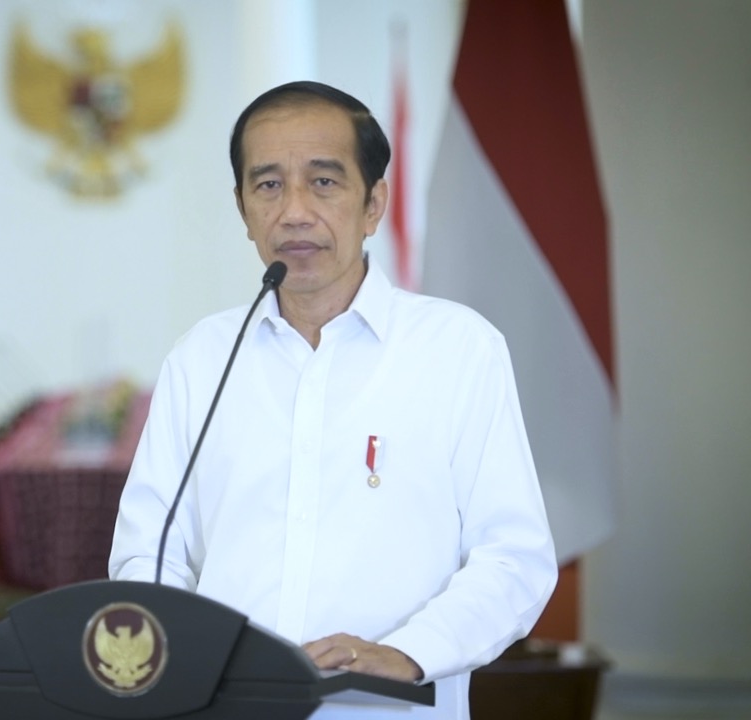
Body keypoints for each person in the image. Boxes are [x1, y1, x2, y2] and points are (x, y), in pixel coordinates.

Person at [108, 80, 558, 719]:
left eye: (323, 182)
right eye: (268, 185)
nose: (294, 211)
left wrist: (407, 653)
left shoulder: (459, 349)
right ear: (243, 209)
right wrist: (180, 656)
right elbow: (148, 554)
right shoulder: (201, 358)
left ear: (374, 204)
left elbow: (514, 557)